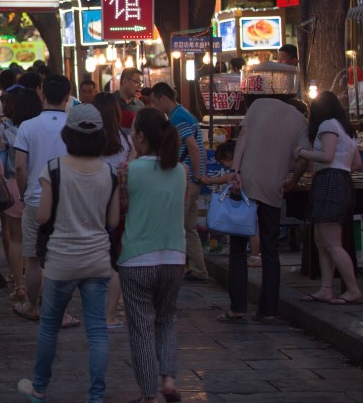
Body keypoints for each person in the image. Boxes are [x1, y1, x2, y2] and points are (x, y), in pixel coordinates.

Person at [17, 104, 120, 403]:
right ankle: (96, 395)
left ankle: (39, 389)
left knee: (49, 327)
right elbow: (112, 221)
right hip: (97, 260)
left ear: (68, 133)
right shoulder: (109, 173)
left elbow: (43, 216)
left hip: (62, 260)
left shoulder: (54, 169)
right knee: (97, 330)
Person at [118, 108, 187, 403]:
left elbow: (120, 208)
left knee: (141, 328)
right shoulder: (180, 171)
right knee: (167, 319)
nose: (130, 137)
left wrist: (129, 162)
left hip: (136, 257)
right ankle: (168, 379)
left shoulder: (129, 171)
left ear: (141, 137)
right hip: (174, 255)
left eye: (133, 132)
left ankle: (148, 395)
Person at [221, 95, 309, 322]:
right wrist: (294, 180)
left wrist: (236, 170)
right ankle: (268, 310)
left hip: (246, 183)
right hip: (273, 186)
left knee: (238, 247)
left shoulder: (259, 106)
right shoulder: (301, 122)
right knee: (270, 249)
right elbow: (302, 161)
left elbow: (243, 137)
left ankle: (237, 307)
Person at [13, 74, 79, 324]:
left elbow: (20, 166)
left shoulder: (28, 127)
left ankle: (32, 306)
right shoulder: (74, 125)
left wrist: (24, 191)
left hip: (34, 199)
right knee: (64, 258)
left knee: (33, 258)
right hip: (69, 200)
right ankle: (61, 312)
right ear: (67, 97)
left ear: (42, 94)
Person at [294, 91, 363, 305]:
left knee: (331, 242)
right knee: (321, 239)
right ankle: (326, 288)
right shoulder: (347, 129)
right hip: (341, 179)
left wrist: (302, 152)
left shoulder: (327, 126)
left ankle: (352, 289)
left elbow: (327, 156)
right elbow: (357, 164)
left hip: (329, 181)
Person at [149, 83, 207, 283]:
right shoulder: (185, 113)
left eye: (155, 102)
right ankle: (198, 269)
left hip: (187, 181)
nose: (156, 107)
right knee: (189, 228)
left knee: (178, 227)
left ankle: (181, 269)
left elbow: (193, 147)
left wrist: (198, 174)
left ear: (164, 99)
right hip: (192, 179)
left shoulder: (177, 117)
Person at [0, 87, 43, 313]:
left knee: (16, 239)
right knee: (43, 243)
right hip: (43, 186)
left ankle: (20, 286)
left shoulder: (6, 128)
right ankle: (41, 286)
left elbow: (5, 159)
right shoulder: (41, 127)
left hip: (14, 184)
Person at [92, 92, 133, 329]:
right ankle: (109, 314)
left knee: (95, 257)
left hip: (93, 204)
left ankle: (96, 309)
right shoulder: (125, 141)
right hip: (118, 205)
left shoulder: (89, 140)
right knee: (115, 260)